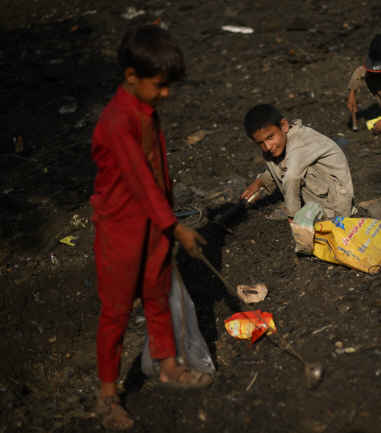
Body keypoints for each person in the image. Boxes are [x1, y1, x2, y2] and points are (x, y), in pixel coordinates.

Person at [90, 25, 211, 431]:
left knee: (158, 292)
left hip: (155, 222)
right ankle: (108, 394)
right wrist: (176, 227)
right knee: (117, 309)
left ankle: (167, 365)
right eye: (160, 85)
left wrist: (166, 223)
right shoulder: (116, 120)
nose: (166, 94)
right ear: (131, 77)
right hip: (121, 227)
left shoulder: (147, 112)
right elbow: (139, 178)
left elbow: (159, 174)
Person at [240, 104, 356, 220]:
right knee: (276, 160)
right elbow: (277, 167)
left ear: (284, 125)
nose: (268, 146)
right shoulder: (277, 145)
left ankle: (323, 216)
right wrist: (259, 182)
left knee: (295, 174)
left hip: (337, 202)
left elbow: (292, 176)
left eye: (270, 137)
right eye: (260, 143)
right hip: (324, 190)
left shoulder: (299, 142)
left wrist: (292, 215)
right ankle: (307, 211)